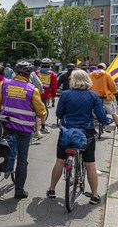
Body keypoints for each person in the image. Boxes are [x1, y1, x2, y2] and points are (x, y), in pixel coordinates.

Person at [46, 70, 112, 205]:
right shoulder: (93, 96)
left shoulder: (65, 94)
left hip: (68, 131)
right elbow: (100, 115)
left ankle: (52, 189)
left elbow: (59, 113)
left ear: (73, 80)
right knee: (90, 164)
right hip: (86, 132)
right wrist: (107, 122)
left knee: (60, 161)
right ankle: (94, 195)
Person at [0, 60, 47, 199]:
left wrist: (5, 110)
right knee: (22, 159)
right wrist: (41, 116)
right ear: (29, 75)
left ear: (16, 73)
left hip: (7, 124)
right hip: (24, 129)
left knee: (5, 148)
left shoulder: (5, 84)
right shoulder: (31, 89)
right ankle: (19, 191)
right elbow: (41, 112)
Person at [90, 63, 118, 134]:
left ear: (97, 68)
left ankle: (92, 128)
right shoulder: (106, 75)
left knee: (91, 112)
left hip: (94, 97)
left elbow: (88, 84)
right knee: (113, 112)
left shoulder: (91, 75)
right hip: (105, 97)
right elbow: (112, 85)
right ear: (104, 68)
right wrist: (115, 91)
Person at [35, 58, 58, 135]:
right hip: (45, 94)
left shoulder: (36, 73)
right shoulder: (52, 74)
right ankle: (43, 126)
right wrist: (53, 95)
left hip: (36, 93)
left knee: (34, 108)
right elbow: (54, 86)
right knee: (43, 109)